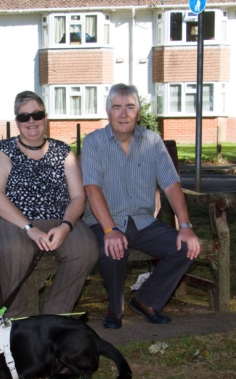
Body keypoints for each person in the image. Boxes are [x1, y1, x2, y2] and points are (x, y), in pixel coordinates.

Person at [81, 83, 201, 329]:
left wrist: (186, 225)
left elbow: (171, 184)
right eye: (117, 107)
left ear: (138, 112)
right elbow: (91, 189)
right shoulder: (94, 142)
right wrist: (110, 230)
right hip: (104, 220)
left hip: (144, 222)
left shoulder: (152, 141)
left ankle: (146, 300)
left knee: (185, 246)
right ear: (108, 111)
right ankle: (115, 308)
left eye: (130, 107)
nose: (123, 114)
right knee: (112, 249)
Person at [0, 90, 98, 318]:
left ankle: (54, 318)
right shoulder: (3, 150)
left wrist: (66, 226)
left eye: (36, 114)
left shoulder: (63, 152)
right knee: (15, 249)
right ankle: (15, 319)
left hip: (57, 217)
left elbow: (78, 197)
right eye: (24, 117)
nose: (31, 121)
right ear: (17, 121)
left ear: (45, 117)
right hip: (10, 219)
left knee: (85, 249)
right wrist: (29, 228)